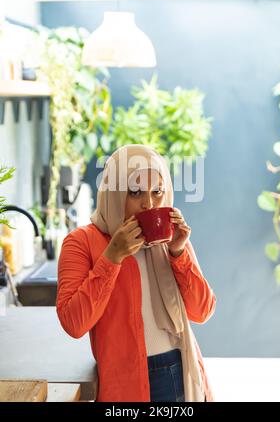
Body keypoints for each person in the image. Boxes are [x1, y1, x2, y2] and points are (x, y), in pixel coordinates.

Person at [56, 144, 216, 402]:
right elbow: (74, 323)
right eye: (135, 192)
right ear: (114, 193)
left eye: (157, 191)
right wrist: (112, 257)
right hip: (125, 381)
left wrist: (178, 253)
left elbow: (203, 311)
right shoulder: (82, 242)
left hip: (182, 370)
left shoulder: (169, 240)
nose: (149, 204)